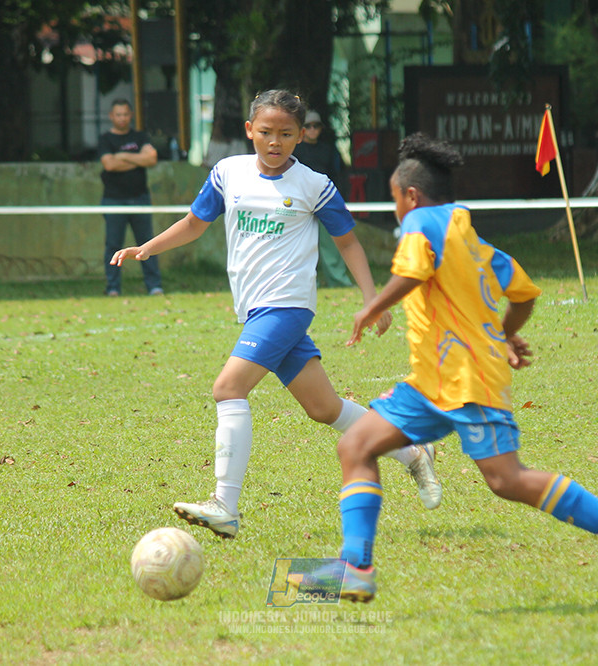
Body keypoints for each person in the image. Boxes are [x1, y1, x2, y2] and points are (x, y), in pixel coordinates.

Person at [323, 133, 598, 604]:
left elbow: (413, 273)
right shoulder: (474, 242)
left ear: (411, 195)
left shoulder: (420, 222)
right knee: (356, 445)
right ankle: (355, 566)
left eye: (396, 199)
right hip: (431, 384)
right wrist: (502, 333)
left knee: (507, 480)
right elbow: (523, 293)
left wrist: (371, 307)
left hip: (468, 381)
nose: (397, 209)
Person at [110, 90, 441, 539]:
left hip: (287, 305)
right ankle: (412, 450)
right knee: (324, 408)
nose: (274, 142)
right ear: (249, 130)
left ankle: (224, 504)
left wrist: (371, 300)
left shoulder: (314, 185)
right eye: (265, 132)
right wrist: (147, 248)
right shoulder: (228, 173)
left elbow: (347, 242)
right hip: (255, 310)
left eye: (286, 134)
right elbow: (194, 222)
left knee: (228, 388)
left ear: (301, 136)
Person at [99, 99, 163, 296]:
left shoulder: (140, 136)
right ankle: (113, 288)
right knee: (113, 245)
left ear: (131, 115)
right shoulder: (105, 139)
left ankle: (154, 286)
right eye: (118, 114)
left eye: (125, 114)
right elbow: (109, 165)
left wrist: (122, 156)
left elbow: (151, 159)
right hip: (113, 200)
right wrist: (138, 160)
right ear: (111, 116)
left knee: (147, 244)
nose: (122, 118)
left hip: (140, 199)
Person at [293, 110, 353, 287]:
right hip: (300, 203)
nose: (312, 130)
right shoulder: (294, 151)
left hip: (325, 200)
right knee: (300, 246)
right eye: (308, 126)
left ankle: (339, 280)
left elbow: (338, 174)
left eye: (316, 126)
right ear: (302, 130)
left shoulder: (329, 150)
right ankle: (306, 282)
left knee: (331, 245)